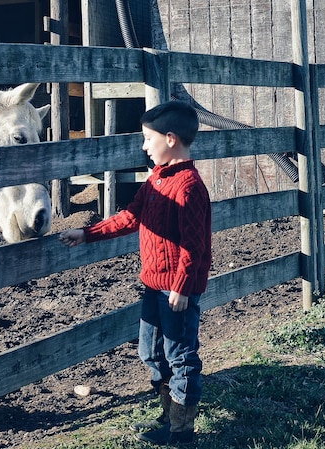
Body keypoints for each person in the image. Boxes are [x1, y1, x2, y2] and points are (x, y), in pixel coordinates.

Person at [59, 101, 212, 445]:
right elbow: (130, 217)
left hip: (176, 292)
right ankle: (167, 417)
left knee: (180, 355)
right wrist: (87, 233)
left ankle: (181, 432)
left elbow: (194, 245)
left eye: (147, 138)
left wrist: (182, 287)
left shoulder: (188, 186)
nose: (144, 146)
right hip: (153, 286)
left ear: (170, 139)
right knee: (151, 352)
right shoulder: (156, 180)